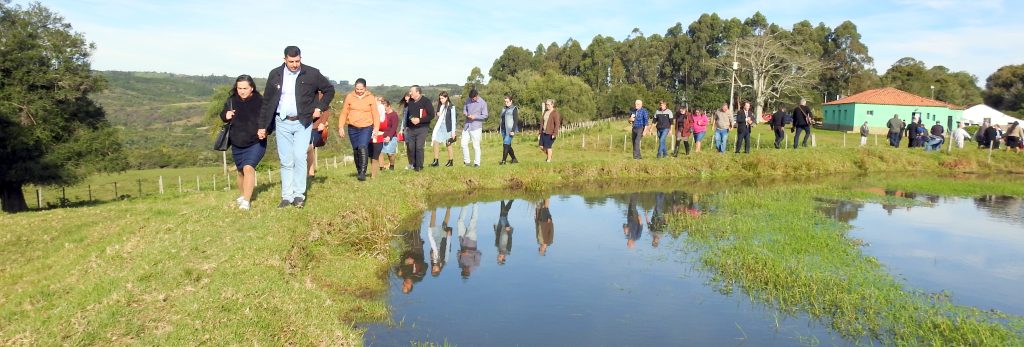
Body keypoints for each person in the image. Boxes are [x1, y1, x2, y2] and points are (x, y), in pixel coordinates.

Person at [258, 46, 335, 209]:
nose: (294, 64)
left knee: (300, 157)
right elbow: (267, 101)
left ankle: (299, 195)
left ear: (301, 58)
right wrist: (262, 126)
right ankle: (287, 196)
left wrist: (319, 108)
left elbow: (329, 90)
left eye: (297, 61)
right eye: (291, 61)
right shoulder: (275, 74)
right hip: (282, 121)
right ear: (284, 59)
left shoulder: (312, 73)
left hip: (303, 122)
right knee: (286, 160)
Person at [219, 75, 265, 210]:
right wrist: (225, 115)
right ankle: (243, 194)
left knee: (248, 167)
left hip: (257, 141)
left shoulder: (260, 101)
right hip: (237, 142)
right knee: (240, 172)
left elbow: (269, 119)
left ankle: (246, 201)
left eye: (245, 88)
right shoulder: (231, 100)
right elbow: (223, 115)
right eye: (239, 88)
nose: (242, 91)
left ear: (252, 88)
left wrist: (266, 130)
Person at [337, 78, 381, 181]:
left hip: (366, 127)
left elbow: (376, 115)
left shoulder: (370, 98)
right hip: (352, 127)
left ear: (365, 88)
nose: (359, 91)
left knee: (362, 146)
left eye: (361, 89)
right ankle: (359, 170)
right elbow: (344, 113)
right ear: (354, 88)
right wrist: (340, 127)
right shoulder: (349, 97)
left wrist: (376, 129)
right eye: (357, 89)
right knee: (356, 149)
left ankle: (362, 173)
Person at [403, 85, 435, 171]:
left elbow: (431, 115)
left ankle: (419, 166)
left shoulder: (426, 101)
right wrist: (411, 119)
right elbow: (408, 114)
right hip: (411, 128)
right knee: (411, 147)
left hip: (422, 128)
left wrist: (419, 120)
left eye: (411, 92)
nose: (410, 93)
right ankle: (414, 164)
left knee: (419, 147)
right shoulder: (410, 101)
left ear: (417, 92)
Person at [430, 91, 457, 167]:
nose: (441, 100)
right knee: (435, 141)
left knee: (448, 144)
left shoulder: (451, 107)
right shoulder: (441, 106)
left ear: (446, 98)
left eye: (442, 98)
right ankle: (436, 161)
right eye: (440, 98)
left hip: (448, 127)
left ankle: (450, 161)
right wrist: (437, 114)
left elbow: (453, 120)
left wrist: (453, 131)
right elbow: (439, 116)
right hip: (440, 126)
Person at [462, 89, 488, 167]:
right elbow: (465, 109)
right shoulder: (468, 100)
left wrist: (475, 117)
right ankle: (467, 162)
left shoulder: (483, 103)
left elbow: (485, 115)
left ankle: (477, 163)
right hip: (467, 125)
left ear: (477, 95)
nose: (472, 100)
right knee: (463, 144)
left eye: (473, 98)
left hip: (476, 127)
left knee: (476, 146)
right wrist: (465, 113)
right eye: (471, 98)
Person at [396, 226, 426, 294]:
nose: (403, 285)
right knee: (415, 229)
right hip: (417, 250)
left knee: (404, 231)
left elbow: (396, 264)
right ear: (410, 286)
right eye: (405, 287)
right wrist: (414, 262)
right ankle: (417, 217)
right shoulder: (418, 277)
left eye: (402, 286)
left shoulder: (401, 275)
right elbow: (425, 265)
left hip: (406, 250)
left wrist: (400, 269)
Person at [307, 91, 330, 179]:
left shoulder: (321, 96)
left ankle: (310, 171)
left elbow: (326, 111)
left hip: (315, 126)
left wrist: (323, 123)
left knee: (310, 146)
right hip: (303, 125)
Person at [457, 203, 481, 279]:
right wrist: (468, 253)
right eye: (466, 272)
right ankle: (475, 204)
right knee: (473, 221)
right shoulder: (476, 264)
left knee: (459, 222)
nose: (464, 270)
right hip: (471, 240)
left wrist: (461, 252)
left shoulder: (460, 265)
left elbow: (457, 254)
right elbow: (479, 254)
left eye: (463, 272)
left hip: (462, 239)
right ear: (469, 272)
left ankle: (465, 204)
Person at [427, 207, 452, 277]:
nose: (434, 269)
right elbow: (447, 250)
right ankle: (449, 207)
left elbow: (432, 249)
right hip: (443, 241)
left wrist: (431, 253)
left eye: (432, 270)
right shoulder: (444, 261)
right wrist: (449, 237)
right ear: (439, 270)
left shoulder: (432, 261)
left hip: (435, 241)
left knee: (431, 226)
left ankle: (433, 208)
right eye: (436, 270)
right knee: (445, 224)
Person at [379, 99, 401, 171]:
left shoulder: (394, 115)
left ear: (389, 106)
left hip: (391, 136)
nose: (383, 110)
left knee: (390, 154)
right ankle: (381, 168)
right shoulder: (382, 115)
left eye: (385, 108)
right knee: (380, 152)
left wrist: (389, 136)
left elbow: (394, 127)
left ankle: (391, 166)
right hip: (381, 135)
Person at [498, 94, 520, 164]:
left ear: (511, 101)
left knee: (505, 144)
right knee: (508, 145)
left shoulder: (514, 109)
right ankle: (514, 159)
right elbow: (502, 119)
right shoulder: (504, 109)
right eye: (505, 102)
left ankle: (503, 161)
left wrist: (513, 130)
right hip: (504, 129)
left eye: (507, 101)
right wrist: (499, 128)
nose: (506, 103)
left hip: (510, 130)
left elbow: (516, 120)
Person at [493, 200, 514, 265]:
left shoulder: (497, 247)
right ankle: (510, 200)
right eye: (500, 257)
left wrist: (495, 229)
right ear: (504, 257)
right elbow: (510, 240)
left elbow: (497, 236)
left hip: (500, 229)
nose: (498, 256)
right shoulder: (508, 250)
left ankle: (504, 200)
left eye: (498, 257)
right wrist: (509, 231)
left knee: (502, 215)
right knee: (503, 217)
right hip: (506, 230)